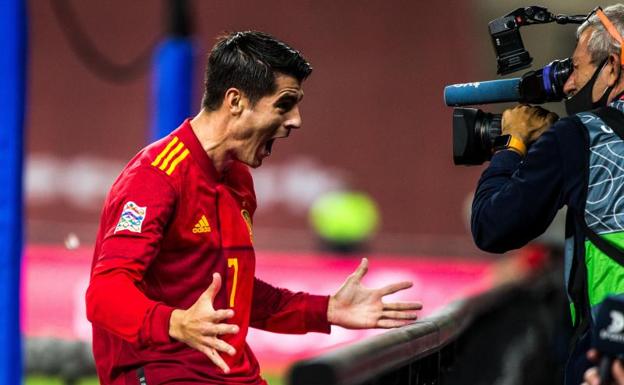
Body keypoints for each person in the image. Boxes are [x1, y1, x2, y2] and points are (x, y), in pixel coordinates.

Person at [85, 31, 422, 385]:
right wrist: (176, 323)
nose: (296, 120)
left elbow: (238, 296)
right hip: (163, 375)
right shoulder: (156, 177)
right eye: (284, 103)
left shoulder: (239, 180)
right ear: (235, 101)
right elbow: (104, 294)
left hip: (234, 375)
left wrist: (326, 310)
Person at [471, 5, 624, 385]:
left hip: (607, 361)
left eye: (577, 68)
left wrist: (513, 144)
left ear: (613, 67)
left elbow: (493, 226)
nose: (568, 84)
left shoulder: (581, 136)